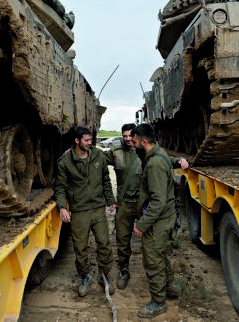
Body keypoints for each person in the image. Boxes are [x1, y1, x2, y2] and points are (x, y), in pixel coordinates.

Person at [106, 123, 188, 290]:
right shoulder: (116, 152)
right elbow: (97, 160)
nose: (129, 139)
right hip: (126, 203)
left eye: (131, 136)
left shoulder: (146, 152)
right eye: (125, 136)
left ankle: (160, 278)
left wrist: (179, 161)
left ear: (138, 138)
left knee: (153, 245)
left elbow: (164, 160)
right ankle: (123, 270)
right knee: (122, 240)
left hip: (144, 205)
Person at [54, 126, 117, 297]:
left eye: (91, 140)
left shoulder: (98, 155)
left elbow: (105, 179)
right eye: (86, 140)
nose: (90, 143)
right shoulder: (65, 162)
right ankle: (85, 276)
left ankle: (104, 274)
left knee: (104, 243)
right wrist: (61, 207)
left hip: (97, 207)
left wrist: (110, 200)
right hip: (79, 209)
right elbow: (60, 187)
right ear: (77, 141)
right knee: (80, 247)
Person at [131, 123, 180, 319]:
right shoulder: (160, 154)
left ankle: (158, 302)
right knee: (159, 253)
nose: (133, 145)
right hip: (164, 217)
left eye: (135, 142)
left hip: (158, 220)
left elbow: (158, 201)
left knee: (152, 260)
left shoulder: (154, 164)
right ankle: (171, 285)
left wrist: (141, 225)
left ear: (144, 142)